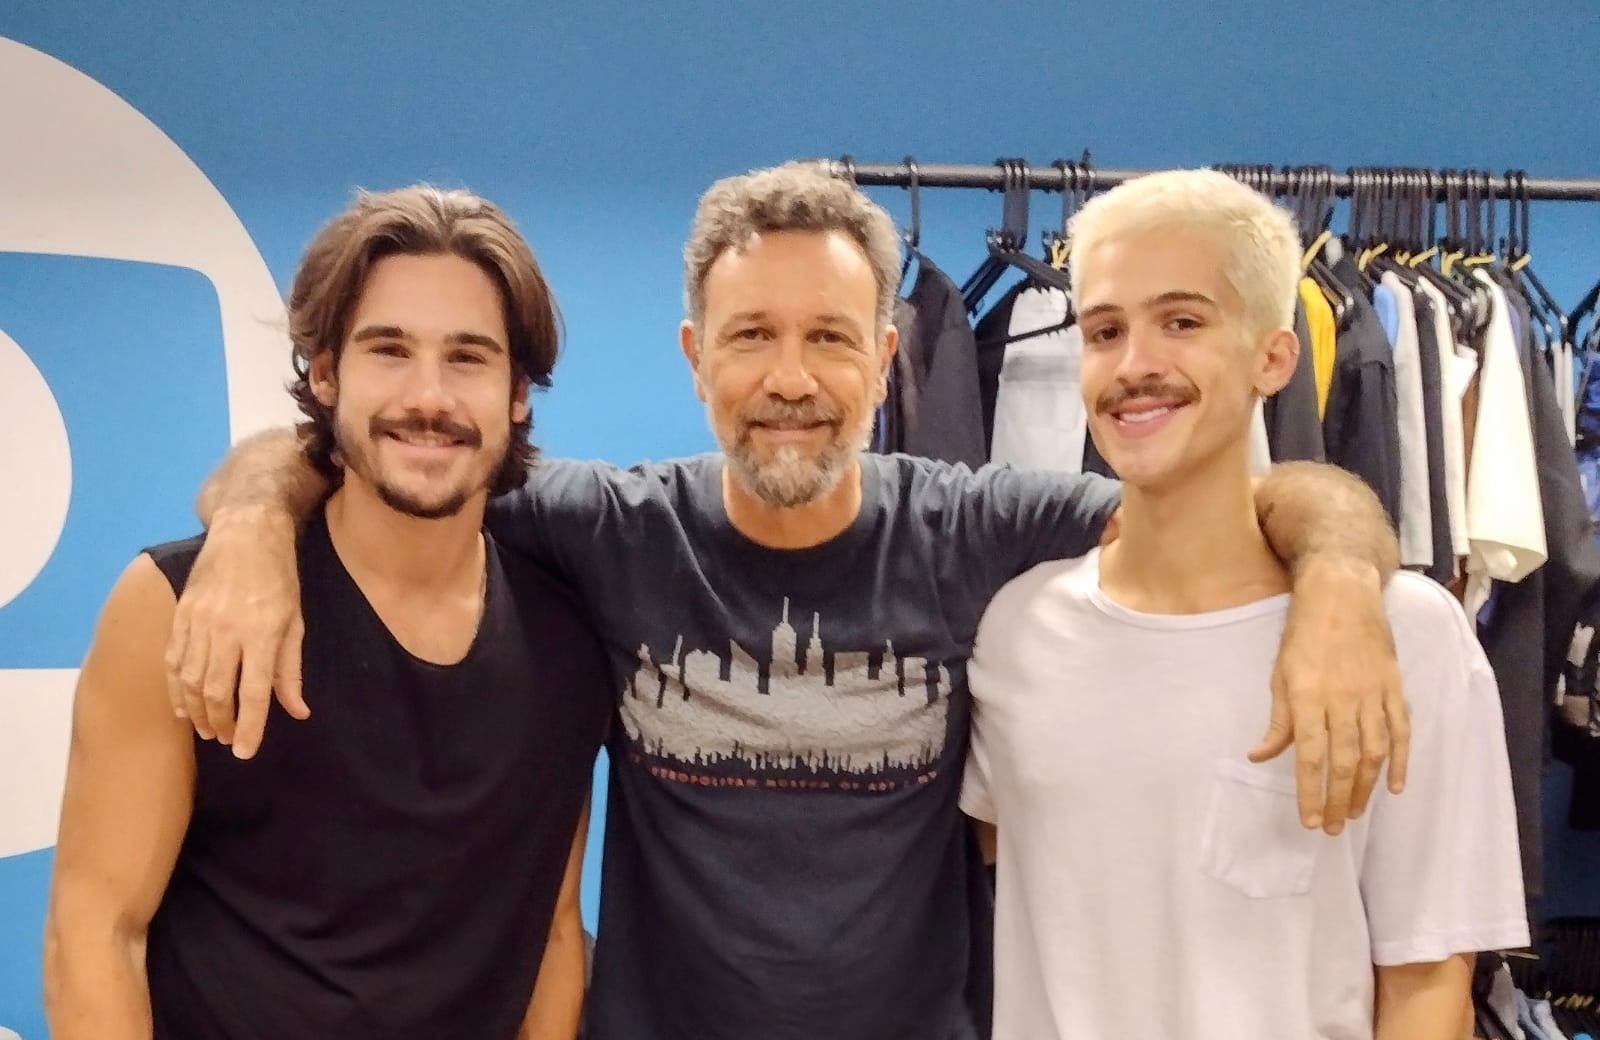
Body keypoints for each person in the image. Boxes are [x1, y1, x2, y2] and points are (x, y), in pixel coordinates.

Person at [164, 162, 1409, 1040]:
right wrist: (259, 520)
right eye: (752, 335)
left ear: (886, 357)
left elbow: (1246, 497)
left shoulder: (979, 527)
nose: (791, 379)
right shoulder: (608, 526)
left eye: (828, 337)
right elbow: (385, 450)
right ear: (696, 355)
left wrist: (1346, 581)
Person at [961, 170, 1530, 1040]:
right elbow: (1036, 891)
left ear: (1274, 355)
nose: (1136, 364)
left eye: (1182, 321)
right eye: (1105, 330)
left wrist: (1338, 578)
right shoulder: (1018, 629)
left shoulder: (1404, 633)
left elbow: (1427, 981)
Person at [42, 186, 611, 1040]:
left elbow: (555, 933)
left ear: (517, 392)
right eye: (390, 350)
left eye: (468, 357)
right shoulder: (177, 606)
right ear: (325, 372)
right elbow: (94, 934)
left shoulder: (569, 640)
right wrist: (251, 517)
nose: (429, 397)